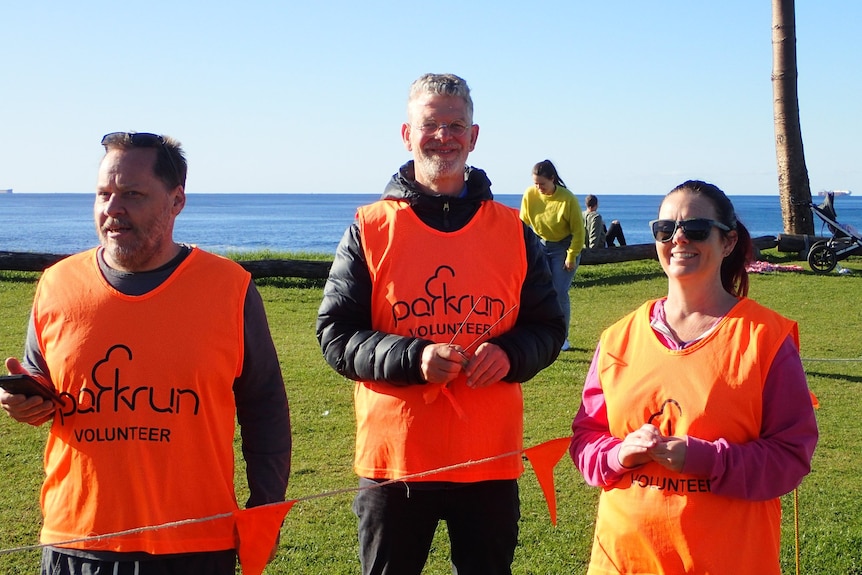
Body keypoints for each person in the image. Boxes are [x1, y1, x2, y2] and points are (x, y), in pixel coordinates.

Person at [0, 132, 292, 575]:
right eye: (104, 194)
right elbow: (43, 381)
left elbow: (265, 410)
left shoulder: (229, 288)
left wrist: (265, 513)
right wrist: (24, 401)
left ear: (176, 201)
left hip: (193, 544)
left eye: (132, 194)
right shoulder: (56, 284)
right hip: (77, 543)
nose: (112, 209)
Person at [316, 73, 565, 575]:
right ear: (407, 135)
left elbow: (548, 327)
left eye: (456, 125)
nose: (444, 136)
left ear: (474, 137)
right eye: (431, 124)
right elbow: (335, 334)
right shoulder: (371, 226)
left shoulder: (513, 231)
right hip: (395, 461)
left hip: (488, 459)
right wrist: (414, 357)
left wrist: (512, 353)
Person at [569, 180, 818, 574]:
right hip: (625, 560)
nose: (678, 238)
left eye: (696, 229)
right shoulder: (618, 337)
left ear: (729, 242)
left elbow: (791, 456)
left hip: (730, 560)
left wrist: (705, 459)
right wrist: (618, 453)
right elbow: (585, 440)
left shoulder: (765, 338)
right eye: (665, 229)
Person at [520, 160, 585, 351]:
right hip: (540, 243)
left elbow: (579, 232)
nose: (538, 187)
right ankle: (539, 331)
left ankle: (562, 337)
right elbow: (523, 224)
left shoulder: (567, 199)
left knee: (558, 291)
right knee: (539, 289)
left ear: (552, 179)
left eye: (542, 184)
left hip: (564, 246)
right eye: (535, 183)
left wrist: (571, 255)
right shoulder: (530, 195)